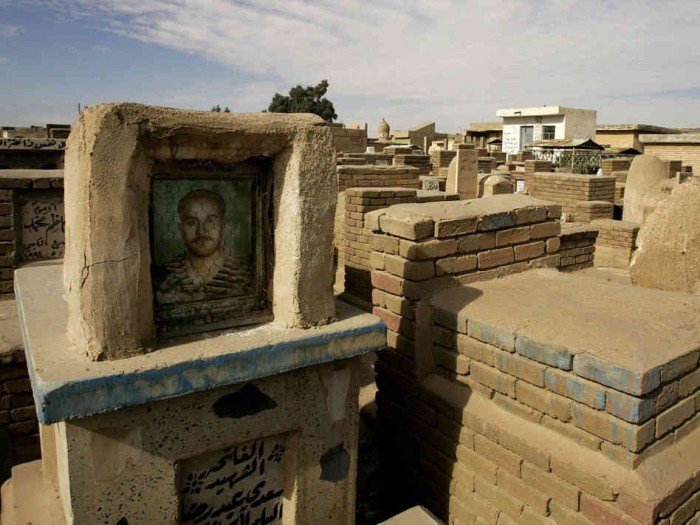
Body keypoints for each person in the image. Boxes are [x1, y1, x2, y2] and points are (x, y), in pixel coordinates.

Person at [156, 189, 251, 305]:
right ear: (181, 229)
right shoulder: (163, 277)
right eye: (191, 222)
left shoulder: (246, 273)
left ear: (223, 226)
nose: (201, 231)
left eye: (210, 221)